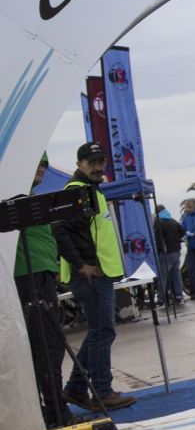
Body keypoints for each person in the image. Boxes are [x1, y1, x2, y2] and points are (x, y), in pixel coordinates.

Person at [53, 143, 134, 413]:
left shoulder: (91, 190)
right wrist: (81, 266)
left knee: (100, 331)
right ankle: (102, 391)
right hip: (92, 274)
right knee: (103, 332)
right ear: (79, 164)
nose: (99, 167)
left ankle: (76, 389)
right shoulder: (75, 192)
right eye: (92, 162)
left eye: (101, 161)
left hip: (100, 272)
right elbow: (60, 231)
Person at [13, 176, 70, 427]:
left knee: (49, 345)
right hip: (29, 274)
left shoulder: (30, 193)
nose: (41, 171)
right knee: (45, 346)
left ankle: (54, 408)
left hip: (39, 271)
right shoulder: (15, 190)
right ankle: (55, 411)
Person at [154, 205, 185, 308]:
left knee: (162, 277)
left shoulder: (159, 223)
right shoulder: (173, 221)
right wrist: (177, 240)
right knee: (176, 275)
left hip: (166, 253)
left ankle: (161, 299)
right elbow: (182, 231)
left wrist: (159, 251)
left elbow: (158, 239)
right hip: (176, 251)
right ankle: (179, 296)